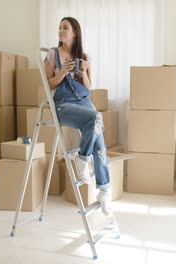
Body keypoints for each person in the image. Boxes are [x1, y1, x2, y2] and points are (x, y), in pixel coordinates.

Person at [44, 17, 112, 217]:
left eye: (65, 27)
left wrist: (82, 72)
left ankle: (105, 191)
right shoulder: (52, 54)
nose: (60, 30)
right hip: (63, 105)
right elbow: (49, 85)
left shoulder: (85, 58)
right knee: (96, 118)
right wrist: (63, 71)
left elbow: (89, 88)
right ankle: (83, 160)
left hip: (84, 103)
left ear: (75, 32)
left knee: (100, 146)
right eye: (59, 27)